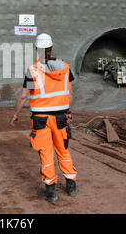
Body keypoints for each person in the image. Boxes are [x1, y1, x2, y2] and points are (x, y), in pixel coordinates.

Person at [10, 33, 77, 202]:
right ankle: (71, 186)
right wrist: (68, 112)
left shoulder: (33, 71)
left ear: (37, 50)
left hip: (41, 120)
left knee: (46, 153)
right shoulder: (64, 67)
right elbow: (70, 91)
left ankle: (51, 192)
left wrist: (16, 114)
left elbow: (23, 96)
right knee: (63, 150)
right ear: (51, 48)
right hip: (61, 117)